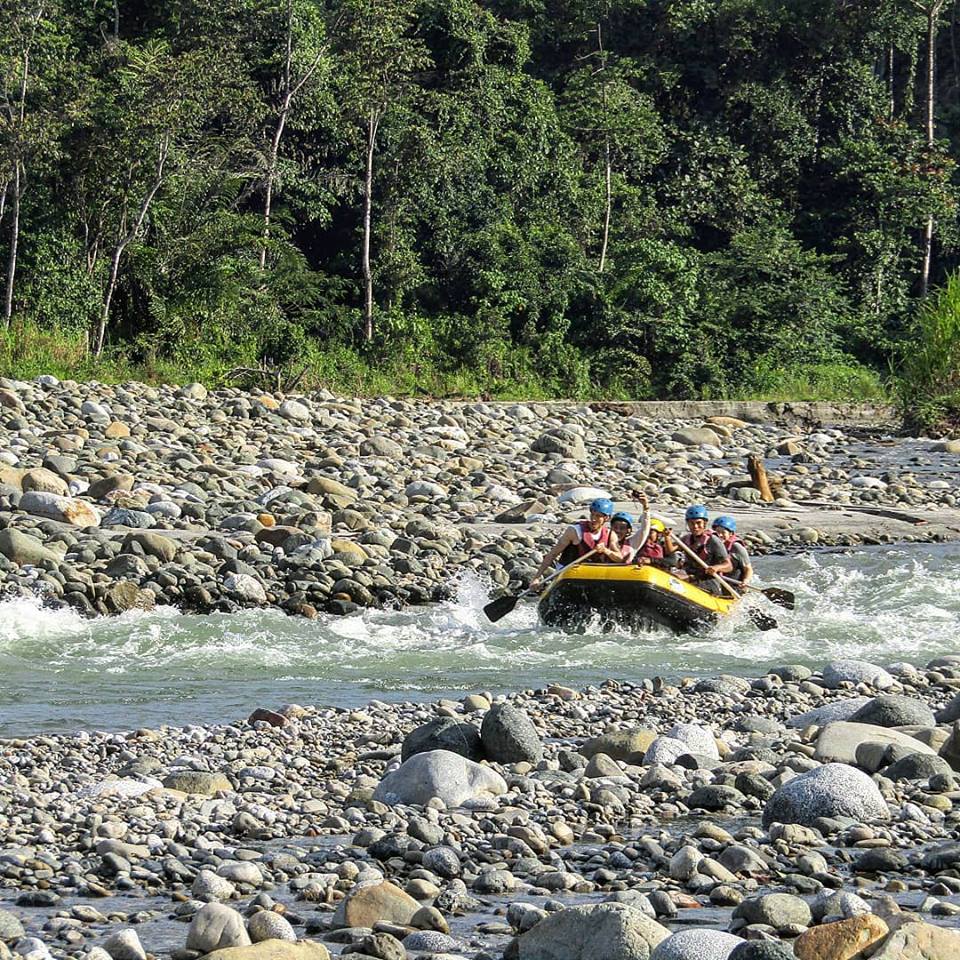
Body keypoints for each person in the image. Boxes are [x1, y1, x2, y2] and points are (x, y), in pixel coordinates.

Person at [531, 497, 621, 585]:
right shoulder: (574, 531)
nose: (593, 519)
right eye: (592, 514)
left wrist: (606, 551)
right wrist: (536, 578)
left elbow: (620, 558)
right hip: (569, 573)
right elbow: (552, 554)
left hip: (591, 573)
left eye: (598, 516)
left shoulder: (610, 535)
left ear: (607, 518)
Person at [678, 504, 731, 594]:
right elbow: (669, 551)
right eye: (691, 523)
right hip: (690, 575)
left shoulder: (713, 540)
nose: (695, 526)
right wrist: (666, 537)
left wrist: (716, 567)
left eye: (698, 523)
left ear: (705, 523)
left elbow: (728, 566)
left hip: (708, 581)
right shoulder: (686, 539)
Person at [712, 515, 753, 590]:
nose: (720, 535)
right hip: (718, 580)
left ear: (730, 533)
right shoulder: (712, 543)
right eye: (717, 532)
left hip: (734, 582)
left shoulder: (737, 547)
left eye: (723, 532)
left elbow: (748, 569)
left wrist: (746, 581)